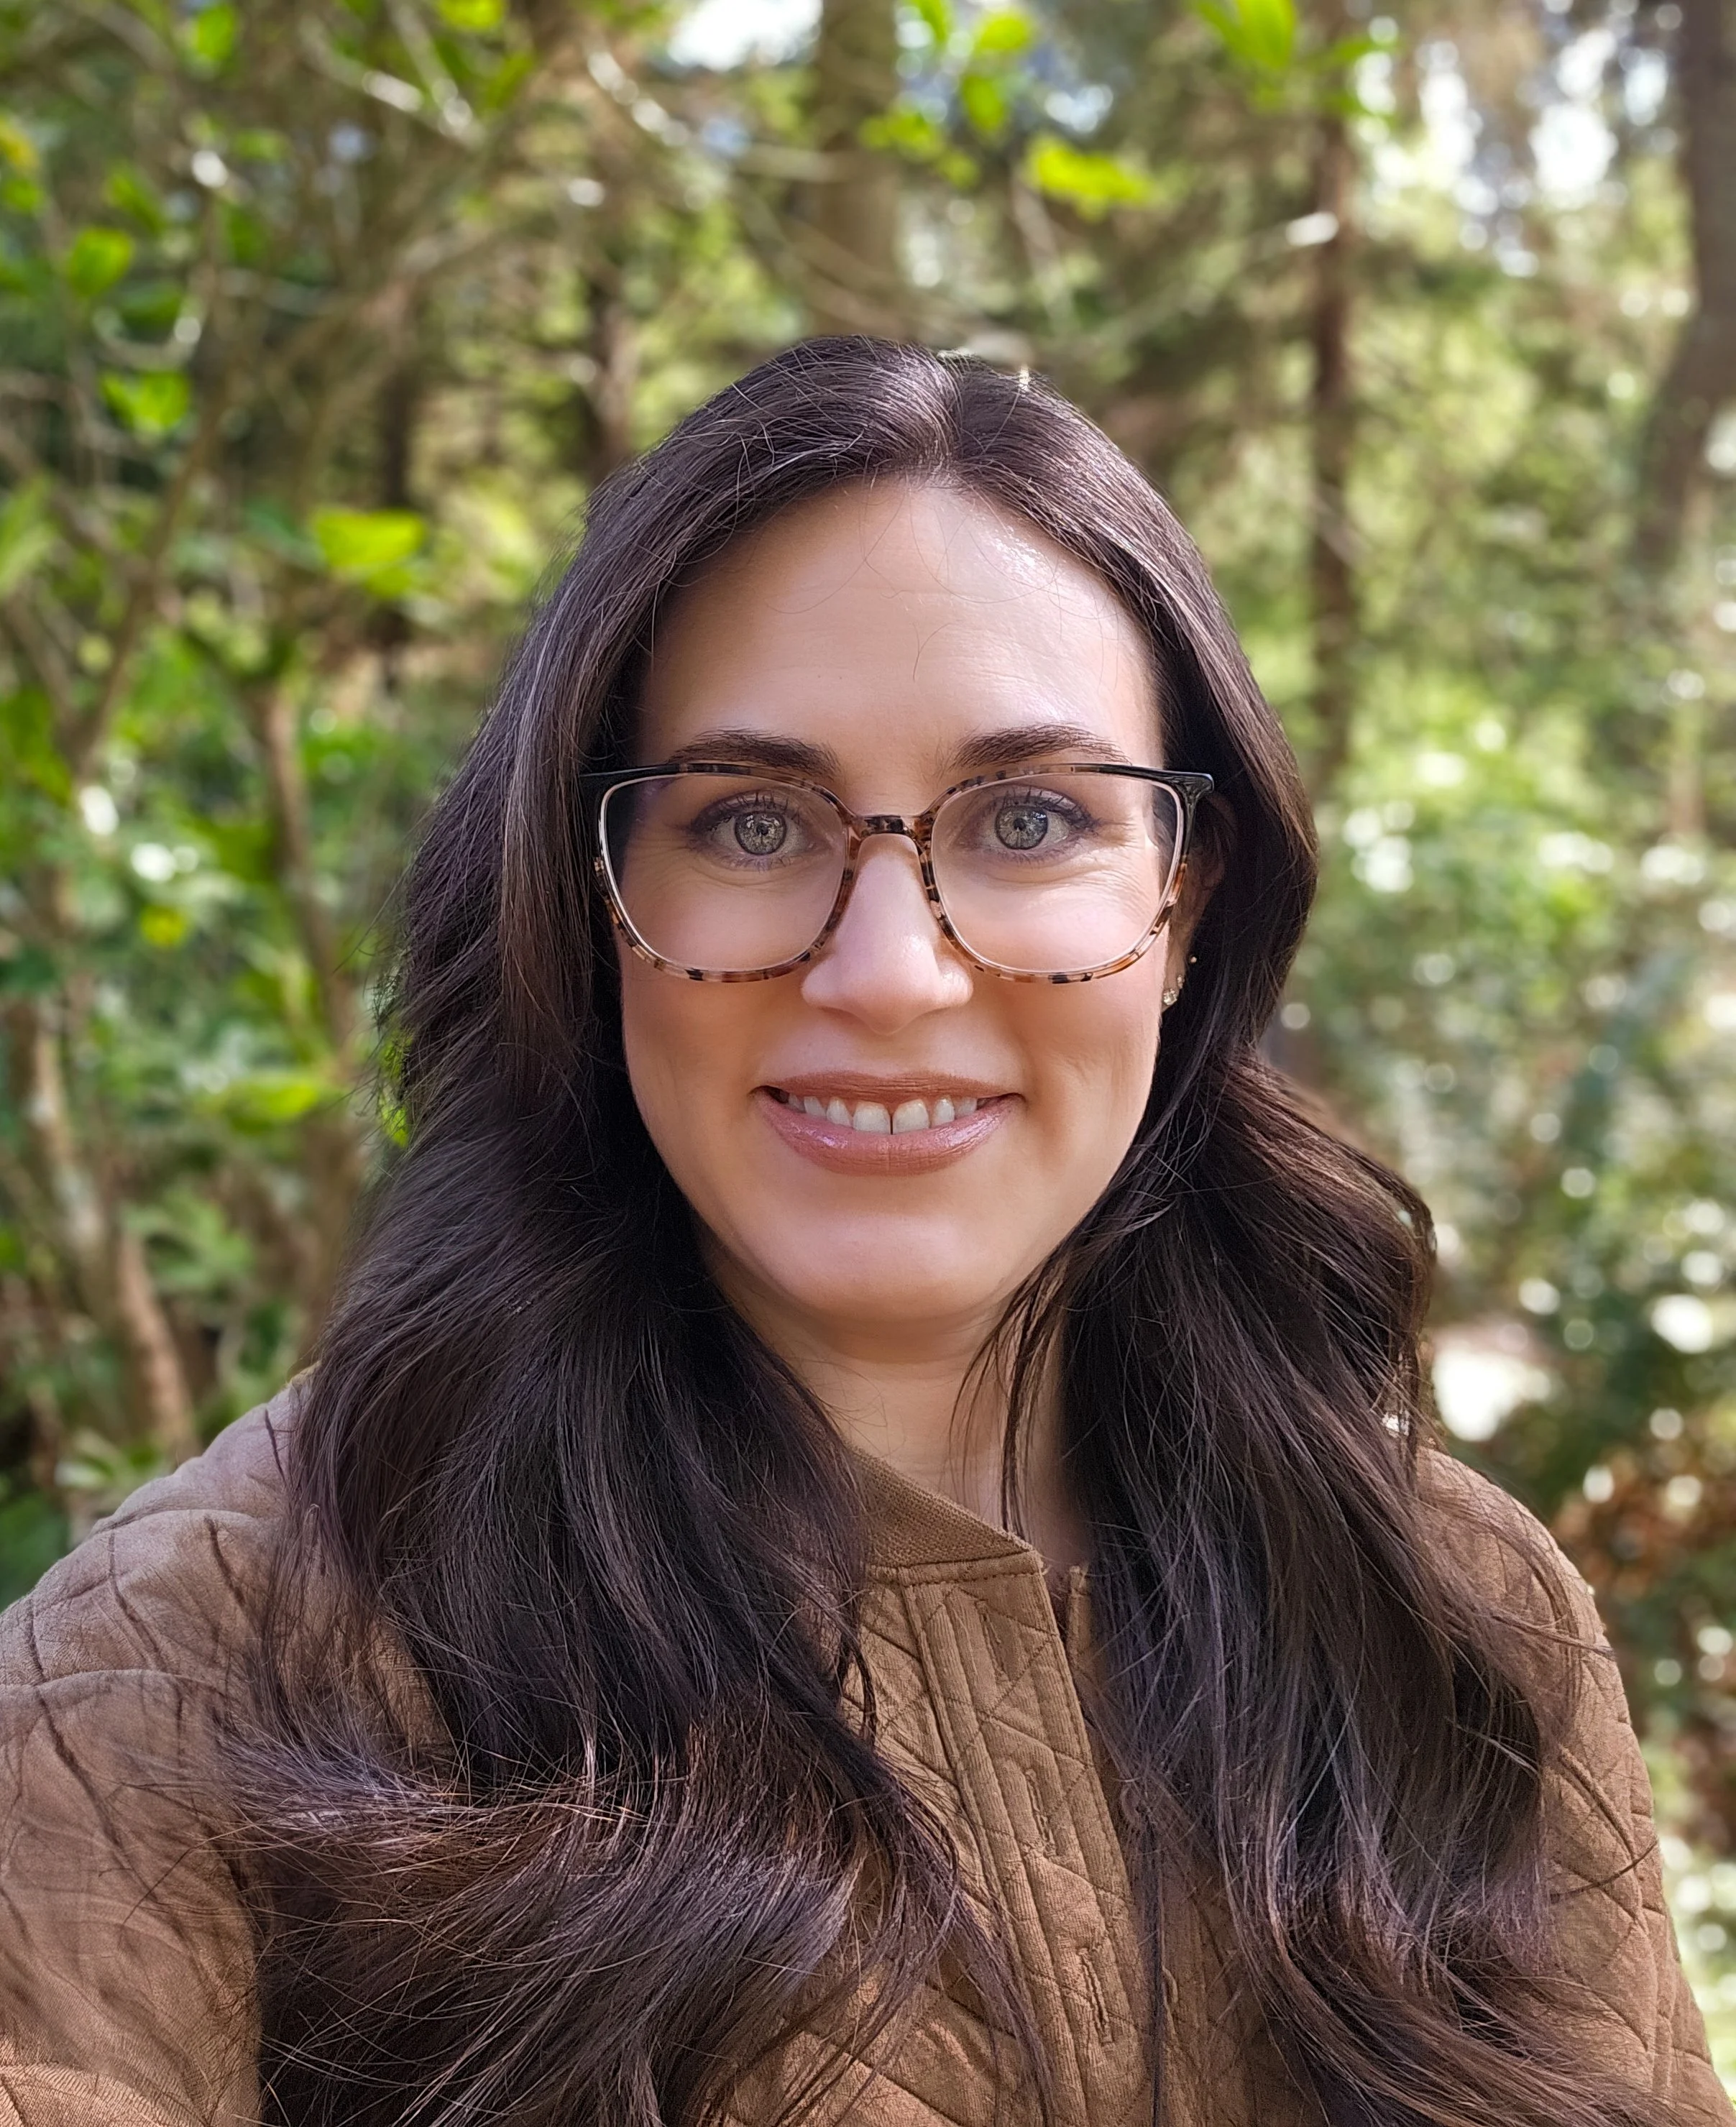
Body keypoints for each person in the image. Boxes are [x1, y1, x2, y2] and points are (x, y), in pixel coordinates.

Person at [0, 338, 1725, 2127]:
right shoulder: (190, 1666)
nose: (887, 973)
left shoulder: (1452, 1622)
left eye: (1033, 818)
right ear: (589, 901)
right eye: (750, 822)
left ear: (1184, 900)